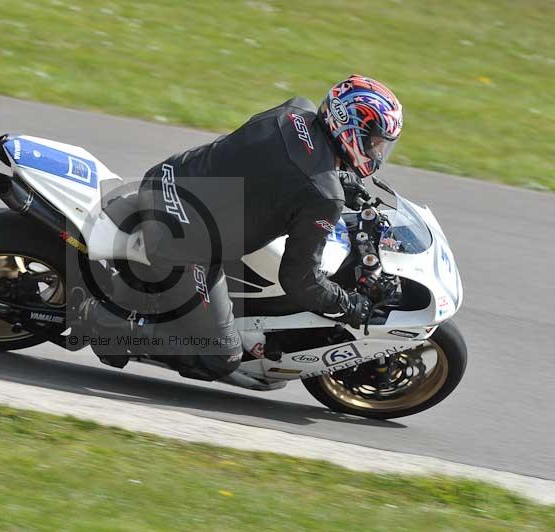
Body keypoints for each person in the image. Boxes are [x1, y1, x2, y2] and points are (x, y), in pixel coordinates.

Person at [78, 74, 404, 381]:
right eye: (374, 142)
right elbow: (299, 280)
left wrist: (338, 179)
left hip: (163, 179)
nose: (377, 153)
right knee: (222, 356)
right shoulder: (323, 196)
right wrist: (347, 305)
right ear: (349, 126)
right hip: (182, 243)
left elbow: (271, 165)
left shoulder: (295, 110)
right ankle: (109, 325)